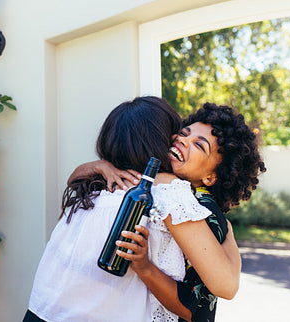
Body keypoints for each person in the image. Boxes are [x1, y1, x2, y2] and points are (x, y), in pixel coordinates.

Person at [23, 97, 254, 321]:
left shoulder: (97, 187)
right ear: (161, 139)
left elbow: (72, 177)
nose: (183, 140)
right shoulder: (167, 191)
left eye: (198, 144)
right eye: (183, 133)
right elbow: (226, 286)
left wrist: (99, 166)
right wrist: (230, 235)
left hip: (40, 311)